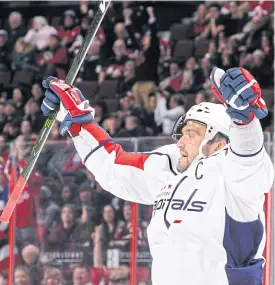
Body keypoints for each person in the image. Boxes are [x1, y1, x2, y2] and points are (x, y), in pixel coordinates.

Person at [40, 66, 273, 285]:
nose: (180, 141)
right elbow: (111, 167)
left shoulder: (232, 175)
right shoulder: (168, 166)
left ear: (219, 143)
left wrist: (245, 122)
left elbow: (248, 160)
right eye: (182, 133)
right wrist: (78, 123)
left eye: (191, 133)